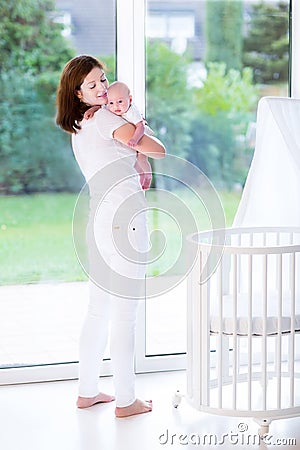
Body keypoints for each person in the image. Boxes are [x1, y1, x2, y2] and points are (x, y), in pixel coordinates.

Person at [56, 55, 166, 418]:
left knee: (97, 309)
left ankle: (87, 391)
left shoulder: (79, 124)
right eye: (93, 85)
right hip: (126, 223)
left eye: (104, 80)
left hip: (99, 220)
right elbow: (157, 149)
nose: (103, 89)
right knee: (124, 315)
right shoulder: (105, 118)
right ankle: (126, 400)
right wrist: (134, 121)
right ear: (78, 92)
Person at [84, 80, 153, 190]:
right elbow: (101, 107)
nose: (115, 106)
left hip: (139, 135)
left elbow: (141, 127)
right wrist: (92, 110)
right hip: (128, 135)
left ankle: (148, 176)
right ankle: (139, 181)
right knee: (134, 164)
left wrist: (135, 139)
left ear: (130, 100)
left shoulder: (131, 112)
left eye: (120, 102)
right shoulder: (110, 107)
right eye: (111, 103)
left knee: (141, 159)